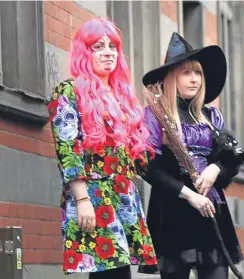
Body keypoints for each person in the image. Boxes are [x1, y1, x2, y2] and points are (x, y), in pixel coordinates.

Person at [47, 18, 157, 278]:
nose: (108, 52)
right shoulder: (69, 91)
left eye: (113, 46)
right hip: (94, 194)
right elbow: (67, 149)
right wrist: (82, 199)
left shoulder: (123, 97)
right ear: (85, 53)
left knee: (119, 271)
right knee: (109, 272)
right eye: (98, 46)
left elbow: (135, 156)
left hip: (124, 193)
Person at [138, 32, 244, 279]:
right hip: (173, 210)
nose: (194, 79)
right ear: (171, 77)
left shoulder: (211, 117)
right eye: (186, 72)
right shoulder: (155, 115)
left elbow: (233, 160)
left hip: (211, 211)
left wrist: (215, 169)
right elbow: (146, 166)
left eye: (198, 73)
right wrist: (188, 195)